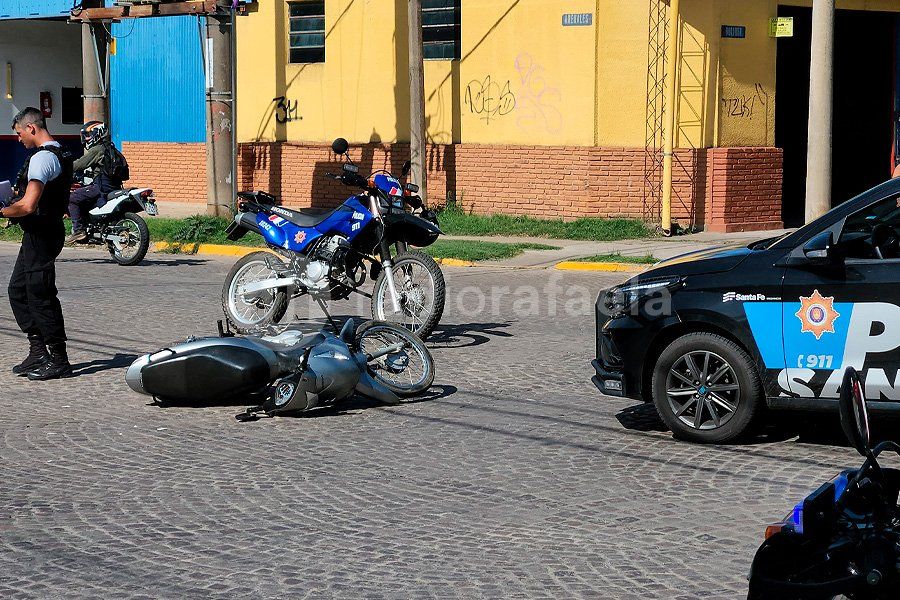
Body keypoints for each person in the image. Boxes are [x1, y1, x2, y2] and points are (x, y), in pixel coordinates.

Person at [0, 107, 74, 379]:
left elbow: (29, 205)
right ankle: (38, 351)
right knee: (18, 290)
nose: (19, 139)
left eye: (20, 133)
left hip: (43, 234)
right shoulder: (58, 153)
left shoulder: (42, 158)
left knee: (40, 294)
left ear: (31, 128)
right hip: (40, 233)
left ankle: (58, 359)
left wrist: (3, 211)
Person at [65, 121, 128, 244]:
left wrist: (63, 167)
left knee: (72, 198)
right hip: (114, 187)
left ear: (98, 134)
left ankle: (79, 231)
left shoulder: (97, 149)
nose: (86, 138)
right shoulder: (112, 149)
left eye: (89, 135)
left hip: (100, 187)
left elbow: (79, 164)